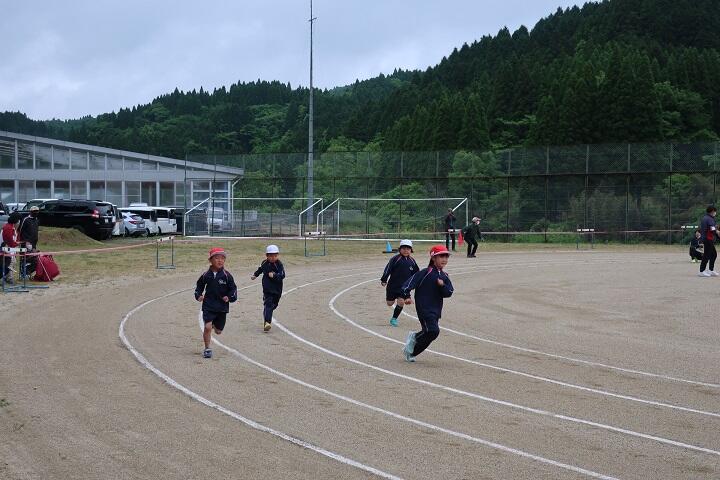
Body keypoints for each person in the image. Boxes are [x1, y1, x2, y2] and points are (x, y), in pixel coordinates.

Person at [400, 245, 454, 362]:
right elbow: (407, 285)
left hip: (436, 310)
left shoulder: (444, 276)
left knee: (430, 333)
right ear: (433, 258)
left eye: (446, 257)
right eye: (441, 256)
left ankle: (412, 352)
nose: (444, 259)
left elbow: (449, 292)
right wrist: (407, 296)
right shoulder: (425, 272)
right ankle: (414, 338)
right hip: (424, 308)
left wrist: (442, 285)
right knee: (433, 331)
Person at [195, 247, 238, 358]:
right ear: (210, 260)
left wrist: (229, 297)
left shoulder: (227, 276)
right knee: (207, 327)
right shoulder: (206, 275)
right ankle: (207, 348)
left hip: (221, 307)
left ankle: (215, 324)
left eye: (222, 258)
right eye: (217, 258)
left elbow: (233, 289)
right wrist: (198, 295)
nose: (220, 260)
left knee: (218, 331)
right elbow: (199, 287)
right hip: (208, 305)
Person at [380, 239, 419, 327]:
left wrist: (417, 282)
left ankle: (394, 318)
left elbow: (417, 273)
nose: (406, 251)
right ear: (400, 249)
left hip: (404, 287)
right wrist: (384, 280)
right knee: (390, 303)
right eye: (404, 249)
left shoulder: (412, 261)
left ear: (411, 250)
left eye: (408, 249)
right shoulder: (395, 259)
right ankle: (394, 299)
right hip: (392, 286)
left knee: (401, 302)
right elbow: (388, 269)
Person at [251, 244, 286, 332]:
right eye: (271, 256)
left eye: (275, 256)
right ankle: (267, 322)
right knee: (269, 304)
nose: (273, 258)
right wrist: (255, 275)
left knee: (274, 305)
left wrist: (274, 275)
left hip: (277, 289)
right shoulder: (264, 263)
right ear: (267, 256)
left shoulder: (279, 264)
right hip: (267, 288)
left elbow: (282, 275)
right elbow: (260, 269)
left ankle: (267, 311)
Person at [18, 205, 39, 278]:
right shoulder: (25, 219)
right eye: (34, 211)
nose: (36, 213)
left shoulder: (37, 220)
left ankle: (29, 272)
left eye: (37, 211)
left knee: (33, 258)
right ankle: (22, 274)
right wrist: (24, 241)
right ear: (30, 212)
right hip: (25, 243)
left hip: (34, 243)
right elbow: (20, 231)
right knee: (24, 258)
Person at [699, 206, 719, 277]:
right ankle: (701, 271)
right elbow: (712, 229)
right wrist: (717, 233)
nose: (715, 213)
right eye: (715, 211)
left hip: (708, 239)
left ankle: (711, 270)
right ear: (712, 211)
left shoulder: (706, 218)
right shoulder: (709, 219)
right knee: (706, 255)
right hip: (707, 239)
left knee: (713, 254)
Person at [1, 212, 20, 284]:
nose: (19, 222)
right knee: (10, 263)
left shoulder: (12, 227)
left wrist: (16, 244)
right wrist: (16, 244)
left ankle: (8, 277)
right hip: (5, 248)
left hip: (10, 249)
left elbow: (15, 238)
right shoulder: (8, 228)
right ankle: (7, 277)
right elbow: (9, 241)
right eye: (18, 220)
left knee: (12, 262)